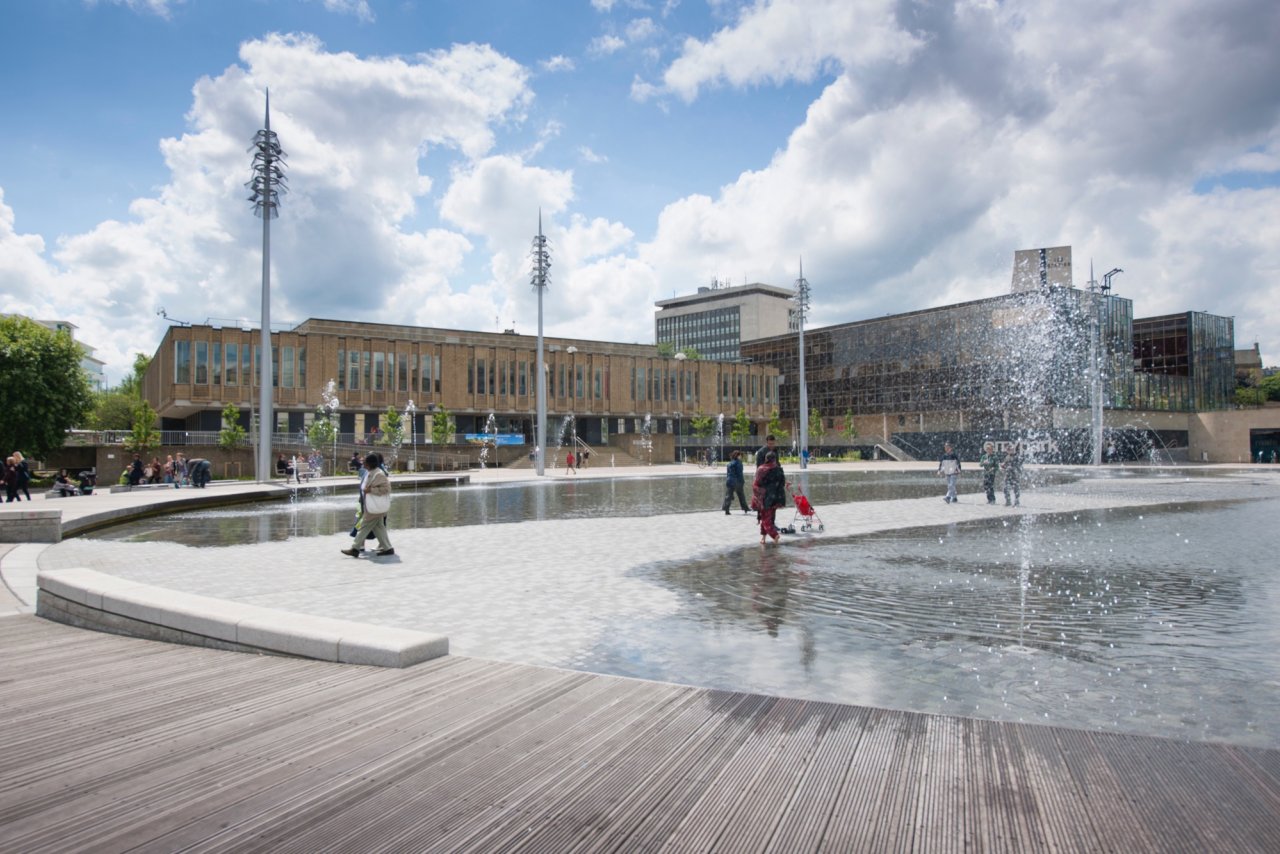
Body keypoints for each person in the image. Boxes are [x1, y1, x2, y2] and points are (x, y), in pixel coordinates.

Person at [342, 453, 394, 558]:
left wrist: (371, 490)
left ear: (370, 463)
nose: (362, 462)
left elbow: (387, 489)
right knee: (379, 527)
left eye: (365, 461)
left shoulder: (379, 474)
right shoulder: (370, 472)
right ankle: (388, 548)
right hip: (370, 505)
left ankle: (355, 548)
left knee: (364, 526)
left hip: (374, 507)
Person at [751, 451, 788, 544]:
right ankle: (763, 538)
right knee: (768, 517)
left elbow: (757, 482)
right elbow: (782, 483)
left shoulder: (761, 469)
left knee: (765, 519)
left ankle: (775, 535)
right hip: (776, 498)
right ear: (774, 459)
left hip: (766, 498)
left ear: (766, 459)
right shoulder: (779, 469)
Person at [723, 449, 749, 514]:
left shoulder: (730, 463)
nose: (741, 457)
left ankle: (726, 509)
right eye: (740, 455)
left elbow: (728, 473)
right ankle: (745, 508)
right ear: (738, 456)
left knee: (728, 496)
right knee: (741, 495)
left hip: (729, 481)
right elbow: (739, 473)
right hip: (737, 481)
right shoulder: (739, 463)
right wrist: (742, 482)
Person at [1002, 442, 1024, 506]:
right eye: (1007, 449)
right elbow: (1005, 464)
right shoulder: (1007, 457)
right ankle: (1008, 501)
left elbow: (1019, 465)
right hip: (1007, 475)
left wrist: (1012, 468)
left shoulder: (1017, 456)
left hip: (1014, 475)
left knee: (1016, 489)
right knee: (1005, 488)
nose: (1009, 450)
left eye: (1010, 449)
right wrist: (1003, 466)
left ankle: (1017, 501)